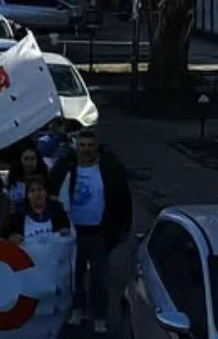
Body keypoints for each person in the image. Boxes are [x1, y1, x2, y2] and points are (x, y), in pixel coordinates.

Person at [48, 129, 132, 335]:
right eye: (82, 145)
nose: (86, 149)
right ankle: (77, 310)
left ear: (97, 147)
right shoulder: (65, 167)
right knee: (74, 275)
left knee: (99, 277)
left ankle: (100, 316)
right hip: (73, 232)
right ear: (77, 146)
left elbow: (123, 198)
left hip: (99, 232)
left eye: (90, 145)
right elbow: (51, 193)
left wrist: (123, 228)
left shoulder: (109, 169)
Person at [6, 176, 71, 243]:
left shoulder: (57, 211)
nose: (36, 193)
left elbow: (65, 228)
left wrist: (64, 231)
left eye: (39, 190)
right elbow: (10, 233)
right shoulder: (19, 214)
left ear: (46, 193)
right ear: (27, 196)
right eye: (32, 191)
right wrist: (13, 236)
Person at [6, 146, 50, 211]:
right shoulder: (14, 177)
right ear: (21, 159)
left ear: (37, 160)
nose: (29, 162)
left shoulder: (44, 177)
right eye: (26, 159)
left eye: (32, 159)